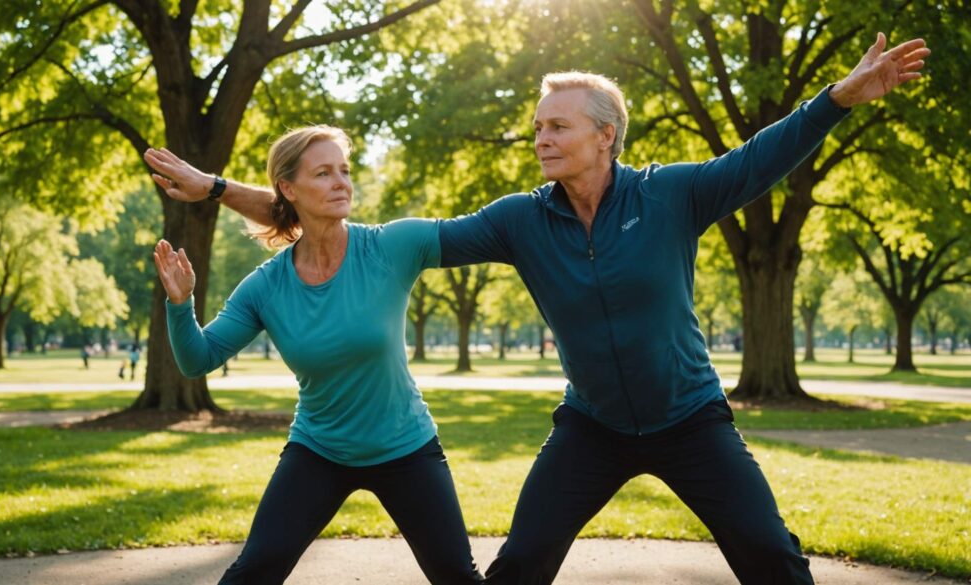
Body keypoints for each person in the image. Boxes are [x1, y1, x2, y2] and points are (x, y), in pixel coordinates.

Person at [147, 33, 928, 584]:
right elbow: (356, 229)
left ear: (606, 135)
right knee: (518, 566)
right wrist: (220, 188)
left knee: (770, 557)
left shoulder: (672, 195)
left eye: (556, 126)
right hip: (590, 428)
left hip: (691, 418)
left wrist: (838, 99)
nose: (540, 138)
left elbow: (763, 156)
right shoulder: (521, 219)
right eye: (536, 127)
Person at [149, 126, 482, 585]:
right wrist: (180, 304)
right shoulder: (266, 286)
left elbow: (488, 232)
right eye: (323, 173)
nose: (341, 182)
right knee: (254, 572)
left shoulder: (390, 247)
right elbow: (197, 359)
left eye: (344, 171)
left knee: (456, 576)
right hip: (320, 450)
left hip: (406, 447)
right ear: (287, 188)